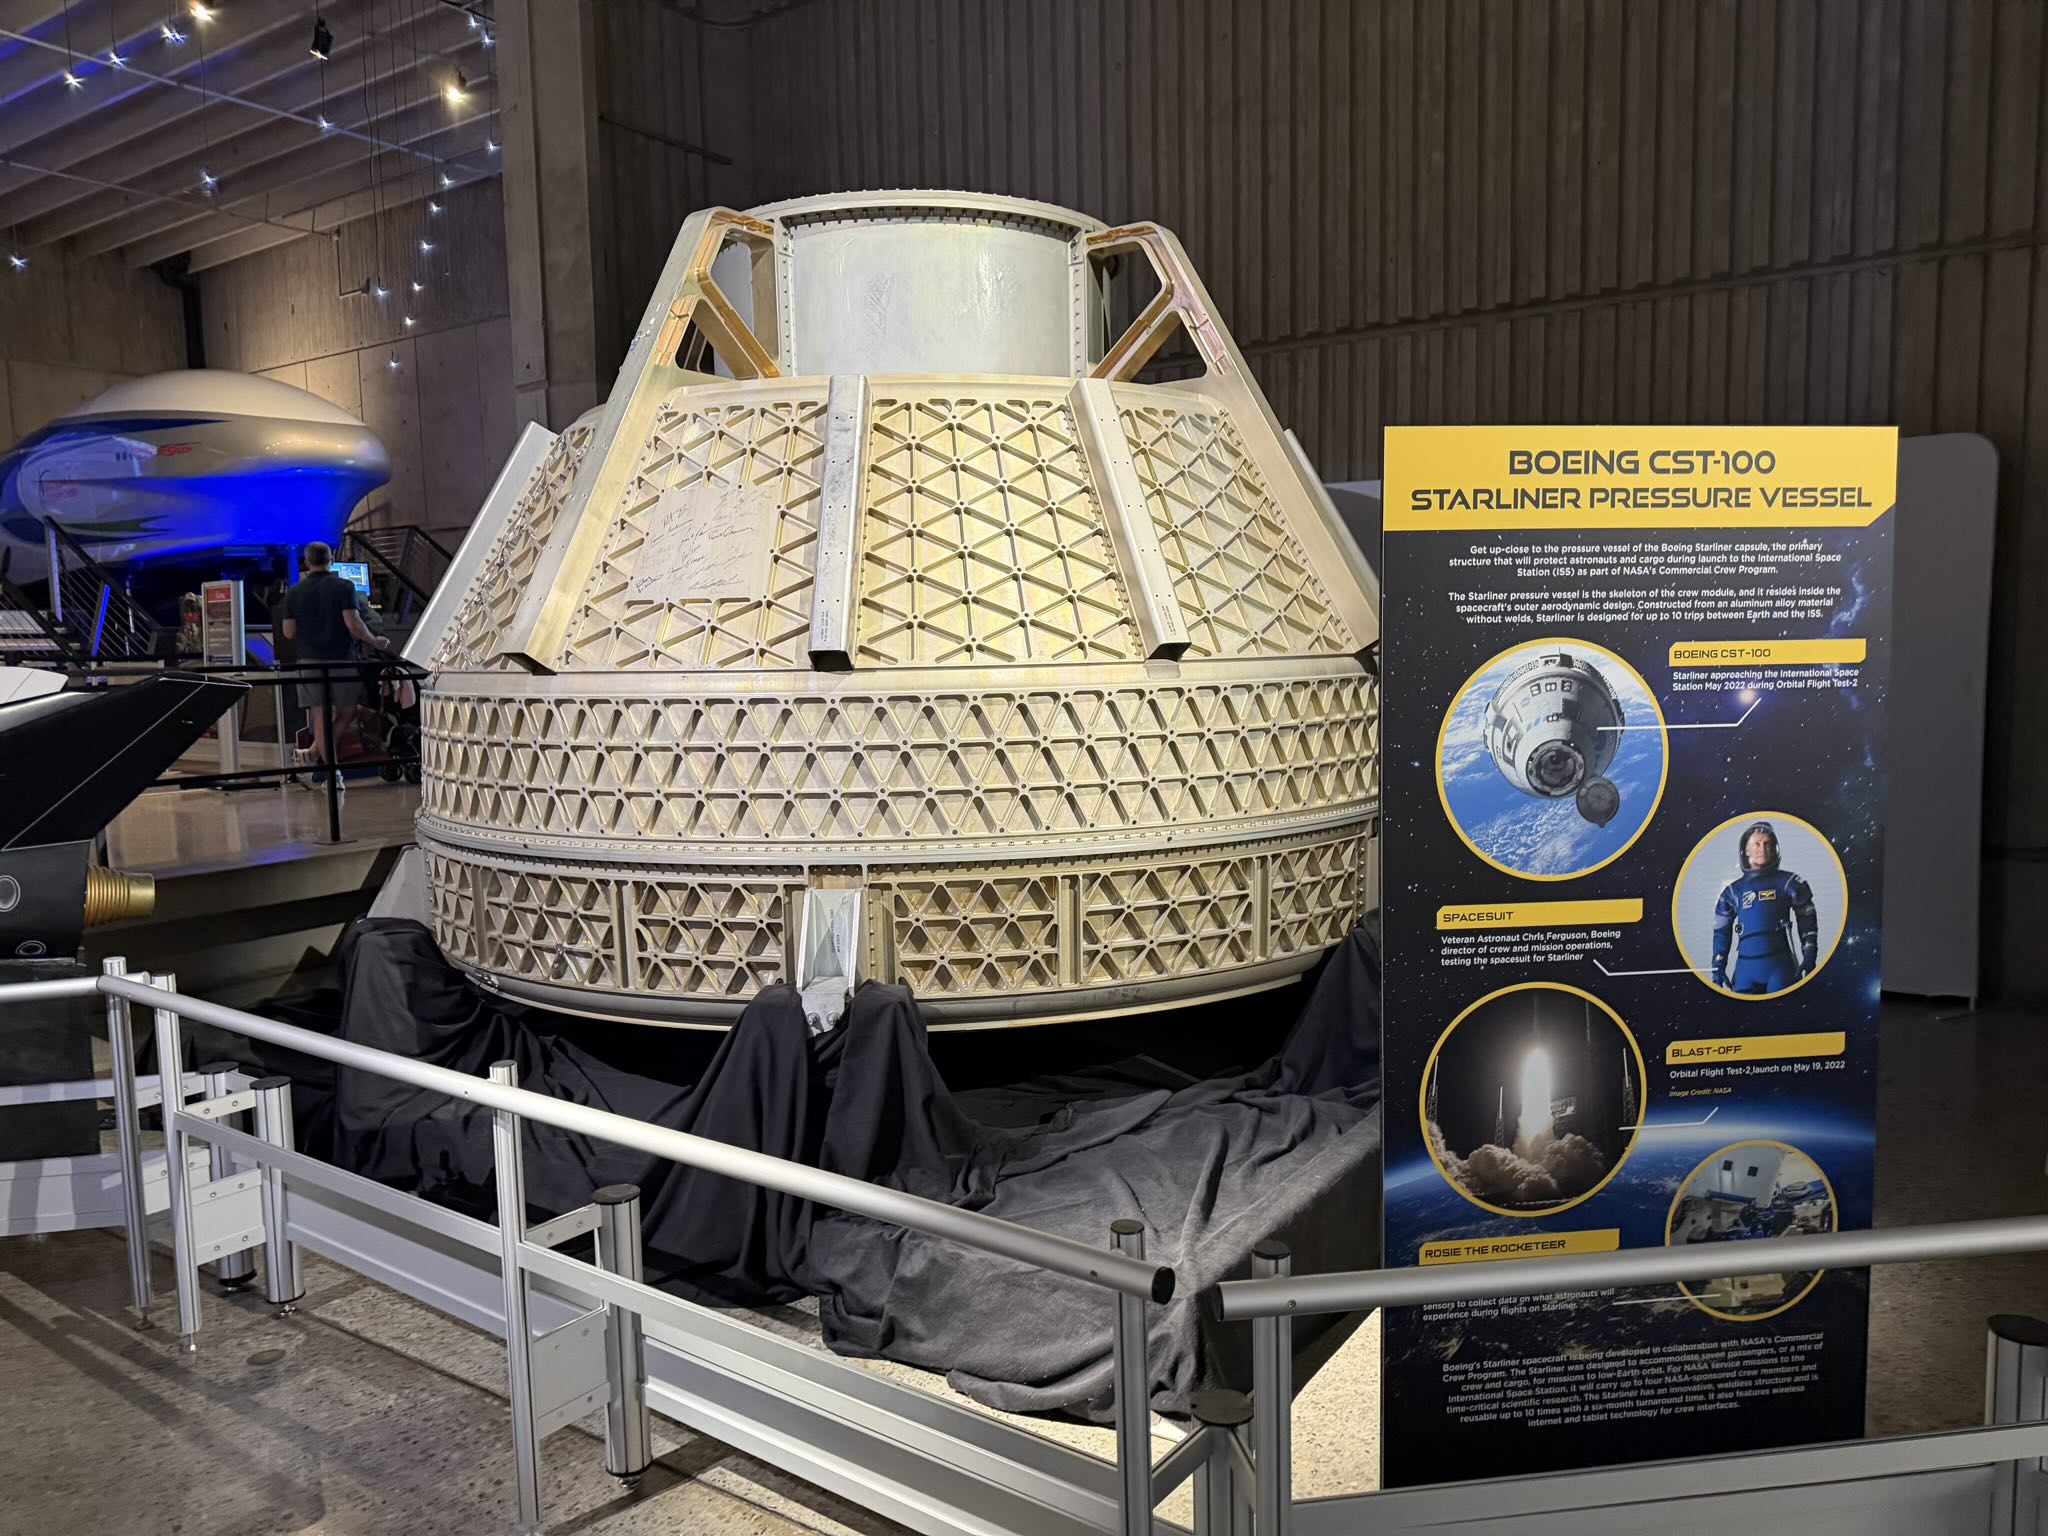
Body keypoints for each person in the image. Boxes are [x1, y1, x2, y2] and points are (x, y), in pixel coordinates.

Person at [281, 541, 389, 781]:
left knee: (319, 715)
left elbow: (289, 632)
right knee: (346, 711)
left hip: (309, 660)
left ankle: (329, 770)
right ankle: (319, 758)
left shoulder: (294, 593)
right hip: (342, 659)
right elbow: (353, 623)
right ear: (330, 560)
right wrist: (374, 641)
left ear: (307, 562)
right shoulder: (344, 587)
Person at [1711, 820, 1820, 994]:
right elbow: (1721, 931)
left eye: (1767, 843)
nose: (1762, 848)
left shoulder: (1789, 883)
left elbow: (1807, 920)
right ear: (1746, 850)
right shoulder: (1733, 891)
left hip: (1779, 968)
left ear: (1774, 848)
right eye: (1757, 844)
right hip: (1745, 971)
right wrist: (1718, 966)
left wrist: (1809, 956)